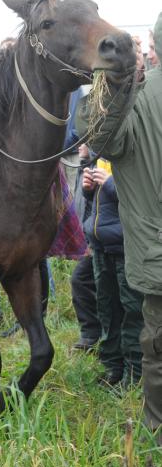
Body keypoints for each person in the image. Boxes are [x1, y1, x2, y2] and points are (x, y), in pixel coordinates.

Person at [76, 22, 162, 439]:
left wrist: (109, 77)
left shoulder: (141, 101)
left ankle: (156, 436)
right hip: (125, 245)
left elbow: (99, 136)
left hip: (153, 255)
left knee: (156, 347)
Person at [82, 157, 143, 386]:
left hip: (126, 246)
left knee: (131, 311)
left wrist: (109, 183)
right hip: (101, 246)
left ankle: (134, 375)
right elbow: (103, 203)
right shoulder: (102, 154)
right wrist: (89, 189)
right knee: (107, 310)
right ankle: (112, 368)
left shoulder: (137, 150)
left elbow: (142, 196)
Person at [71, 143, 101, 351]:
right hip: (94, 233)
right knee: (82, 280)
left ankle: (93, 335)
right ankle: (91, 335)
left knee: (82, 280)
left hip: (106, 237)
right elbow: (87, 199)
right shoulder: (89, 162)